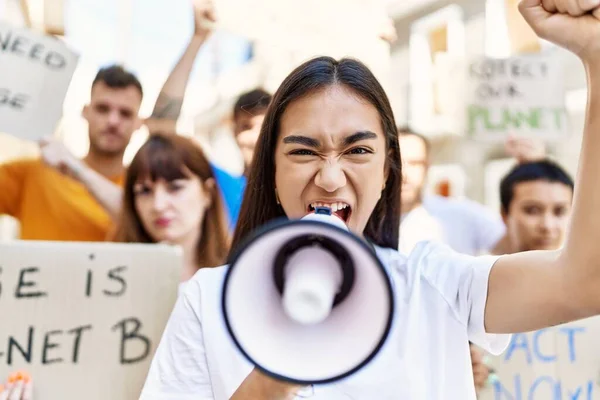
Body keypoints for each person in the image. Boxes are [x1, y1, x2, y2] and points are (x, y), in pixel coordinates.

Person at [140, 2, 600, 398]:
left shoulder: (436, 284)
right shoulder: (206, 302)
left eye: (358, 151)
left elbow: (584, 283)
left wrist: (596, 58)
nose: (330, 176)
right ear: (271, 171)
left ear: (386, 173)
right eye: (303, 151)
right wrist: (272, 376)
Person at [145, 0, 272, 228]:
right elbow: (161, 126)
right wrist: (197, 39)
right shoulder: (217, 183)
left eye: (264, 128)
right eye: (246, 127)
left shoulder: (294, 192)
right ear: (233, 129)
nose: (255, 138)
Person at [0, 65, 143, 241]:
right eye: (102, 109)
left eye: (125, 113)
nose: (113, 121)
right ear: (85, 112)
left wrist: (80, 172)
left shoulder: (147, 190)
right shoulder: (33, 173)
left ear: (139, 123)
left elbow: (142, 224)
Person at [471, 159, 574, 393]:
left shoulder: (592, 292)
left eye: (560, 211)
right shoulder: (471, 289)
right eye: (532, 210)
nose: (547, 225)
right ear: (505, 214)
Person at [112, 133, 230, 284]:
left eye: (175, 188)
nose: (158, 205)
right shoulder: (113, 278)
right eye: (145, 191)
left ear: (208, 192)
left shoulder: (238, 274)